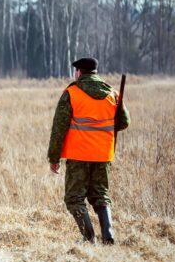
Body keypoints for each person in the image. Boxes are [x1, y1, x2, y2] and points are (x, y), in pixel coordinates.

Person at [47, 57, 129, 244]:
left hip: (79, 155)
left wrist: (54, 157)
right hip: (103, 155)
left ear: (79, 72)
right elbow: (124, 122)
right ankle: (108, 236)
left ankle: (89, 237)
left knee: (74, 198)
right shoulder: (112, 94)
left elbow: (59, 128)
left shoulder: (72, 92)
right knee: (100, 195)